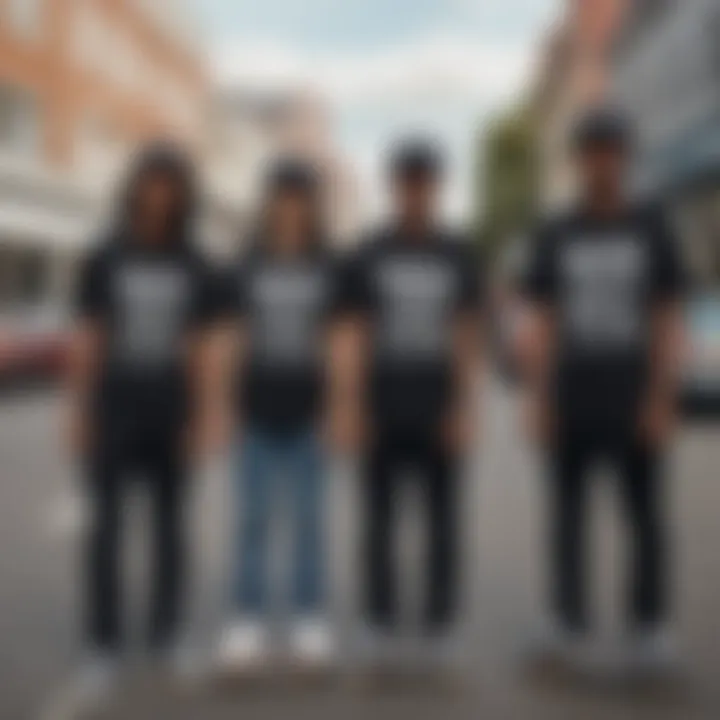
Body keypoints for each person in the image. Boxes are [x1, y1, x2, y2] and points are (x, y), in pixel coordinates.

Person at [521, 107, 686, 672]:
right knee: (566, 518)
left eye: (611, 149)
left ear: (626, 156)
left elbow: (667, 317)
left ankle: (649, 628)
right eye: (591, 150)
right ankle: (567, 621)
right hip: (571, 399)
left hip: (635, 399)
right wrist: (537, 400)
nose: (601, 160)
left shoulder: (652, 226)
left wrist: (663, 398)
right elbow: (542, 321)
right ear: (579, 160)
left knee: (644, 519)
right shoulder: (556, 233)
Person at [66, 142, 219, 706]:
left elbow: (202, 347)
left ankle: (167, 635)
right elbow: (90, 338)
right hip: (114, 412)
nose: (159, 195)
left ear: (182, 195)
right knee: (106, 532)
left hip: (170, 413)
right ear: (134, 189)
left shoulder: (195, 262)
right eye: (150, 183)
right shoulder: (105, 256)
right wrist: (79, 411)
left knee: (168, 532)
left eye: (169, 185)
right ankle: (102, 644)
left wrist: (203, 416)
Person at [334, 138, 483, 656]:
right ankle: (380, 619)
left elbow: (465, 335)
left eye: (424, 180)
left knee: (443, 521)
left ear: (436, 187)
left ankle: (440, 623)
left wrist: (463, 409)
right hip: (382, 408)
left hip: (437, 408)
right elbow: (353, 335)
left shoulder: (457, 253)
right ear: (393, 185)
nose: (415, 189)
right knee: (378, 522)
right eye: (406, 180)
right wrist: (350, 408)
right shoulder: (368, 253)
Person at [215, 158, 338, 671]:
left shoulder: (329, 266)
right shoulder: (246, 265)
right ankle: (247, 618)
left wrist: (339, 408)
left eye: (299, 199)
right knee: (252, 521)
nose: (290, 208)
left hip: (311, 414)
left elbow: (339, 344)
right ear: (268, 205)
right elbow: (230, 340)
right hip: (255, 413)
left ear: (312, 207)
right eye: (281, 198)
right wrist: (223, 408)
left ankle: (307, 617)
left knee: (309, 522)